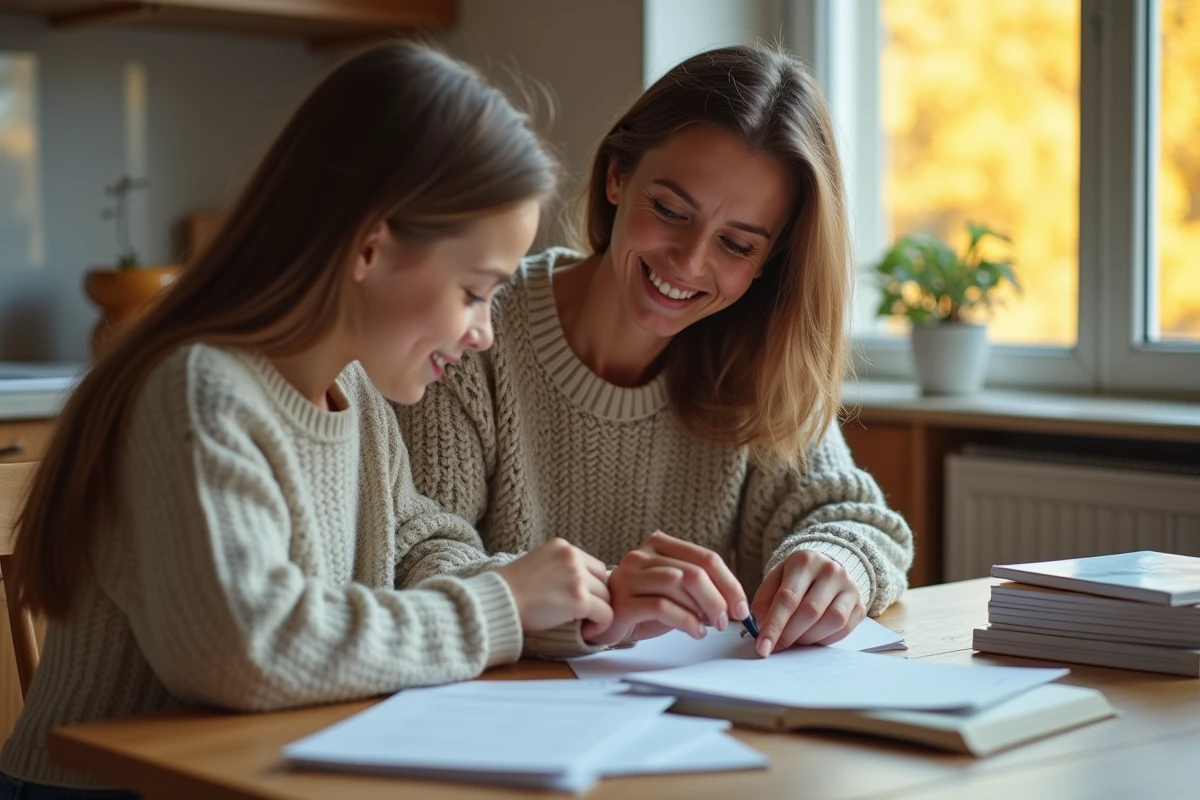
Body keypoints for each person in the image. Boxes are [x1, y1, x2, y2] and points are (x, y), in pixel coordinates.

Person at [0, 42, 613, 796]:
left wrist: (565, 605)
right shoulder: (199, 392)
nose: (483, 331)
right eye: (473, 291)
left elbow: (422, 547)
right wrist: (500, 606)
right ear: (370, 245)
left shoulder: (351, 390)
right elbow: (246, 648)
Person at [395, 44, 914, 660]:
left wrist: (837, 562)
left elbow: (850, 516)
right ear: (617, 175)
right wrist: (597, 603)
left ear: (769, 263)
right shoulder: (473, 330)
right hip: (503, 715)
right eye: (670, 210)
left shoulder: (761, 357)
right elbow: (419, 555)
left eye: (738, 245)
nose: (690, 262)